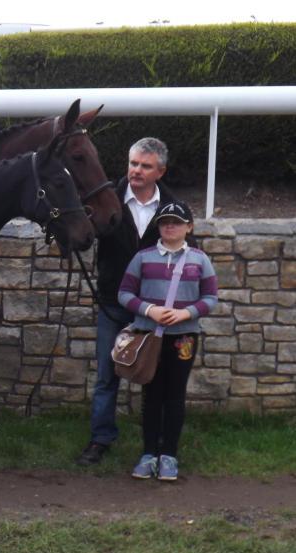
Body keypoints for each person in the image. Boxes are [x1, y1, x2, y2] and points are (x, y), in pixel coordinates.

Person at [77, 137, 181, 466]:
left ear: (160, 171)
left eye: (145, 166)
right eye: (133, 163)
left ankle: (155, 444)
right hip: (112, 302)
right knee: (107, 376)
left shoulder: (173, 208)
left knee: (154, 376)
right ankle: (100, 439)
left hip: (153, 308)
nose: (136, 170)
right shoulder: (106, 199)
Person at [118, 201, 217, 480]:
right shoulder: (143, 258)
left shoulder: (200, 260)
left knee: (174, 395)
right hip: (149, 337)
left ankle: (169, 455)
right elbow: (124, 294)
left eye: (176, 222)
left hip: (183, 338)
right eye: (164, 222)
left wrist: (186, 312)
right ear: (158, 227)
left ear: (189, 227)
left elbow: (210, 298)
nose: (170, 226)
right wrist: (150, 310)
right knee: (151, 395)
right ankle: (149, 453)